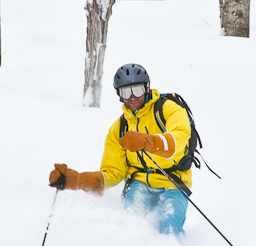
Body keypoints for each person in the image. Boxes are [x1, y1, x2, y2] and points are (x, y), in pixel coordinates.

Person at [48, 64, 193, 235]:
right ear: (119, 95)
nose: (132, 97)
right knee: (132, 227)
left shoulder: (169, 109)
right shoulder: (119, 129)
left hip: (173, 181)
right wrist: (78, 180)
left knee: (170, 231)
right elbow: (113, 173)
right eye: (126, 92)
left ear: (146, 88)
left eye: (137, 90)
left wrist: (148, 141)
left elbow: (177, 141)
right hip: (139, 183)